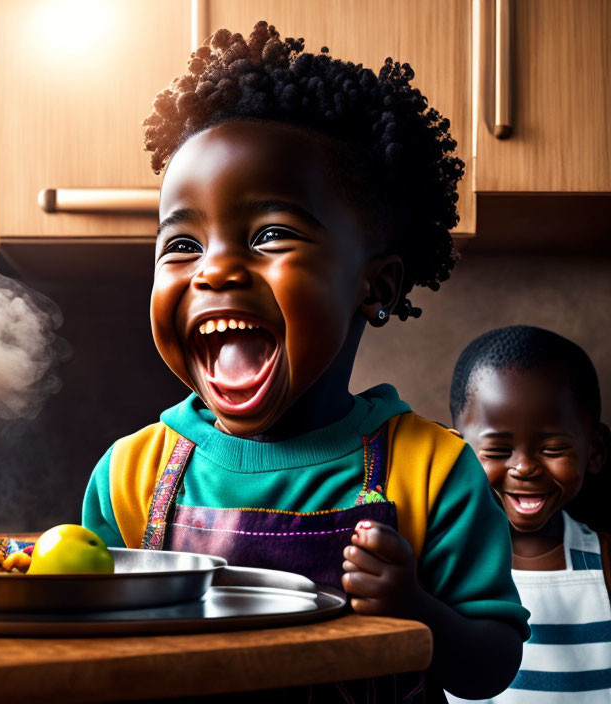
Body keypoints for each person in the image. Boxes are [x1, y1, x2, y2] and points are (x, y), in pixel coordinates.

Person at [82, 21, 529, 701]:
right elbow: (79, 652)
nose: (215, 270)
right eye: (182, 246)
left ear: (374, 285)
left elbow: (492, 665)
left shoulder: (434, 471)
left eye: (269, 235)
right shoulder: (129, 476)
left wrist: (416, 606)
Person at [446, 325, 611, 703]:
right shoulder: (441, 562)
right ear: (458, 455)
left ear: (596, 450)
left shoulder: (604, 562)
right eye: (498, 451)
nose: (525, 468)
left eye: (552, 449)